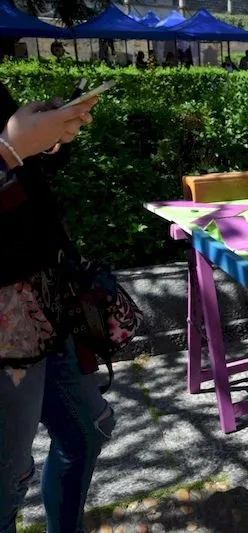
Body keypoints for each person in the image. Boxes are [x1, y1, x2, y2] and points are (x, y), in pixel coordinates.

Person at [0, 84, 116, 533]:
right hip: (7, 327)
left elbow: (22, 177)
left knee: (88, 428)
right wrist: (9, 149)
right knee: (6, 483)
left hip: (45, 299)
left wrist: (49, 138)